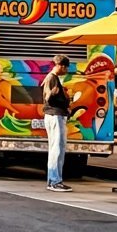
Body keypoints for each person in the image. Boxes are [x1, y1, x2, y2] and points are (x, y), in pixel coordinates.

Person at [42, 55, 74, 192]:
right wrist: (59, 95)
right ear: (61, 65)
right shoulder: (52, 78)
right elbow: (48, 97)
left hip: (55, 115)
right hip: (55, 116)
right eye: (66, 67)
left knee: (56, 149)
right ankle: (55, 181)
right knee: (58, 149)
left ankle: (53, 180)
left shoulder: (52, 78)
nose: (66, 70)